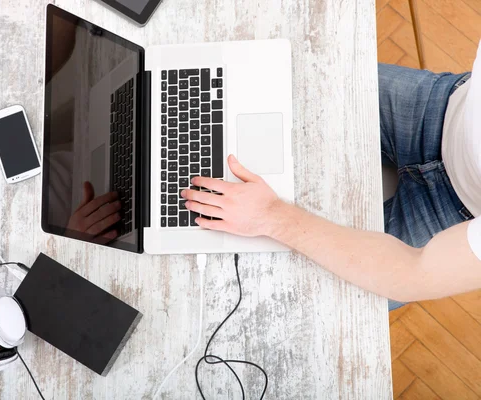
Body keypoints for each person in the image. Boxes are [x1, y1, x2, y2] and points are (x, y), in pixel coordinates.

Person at [181, 41, 481, 310]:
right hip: (444, 106)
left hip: (452, 215)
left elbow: (415, 274)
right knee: (269, 82)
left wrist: (271, 216)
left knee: (300, 299)